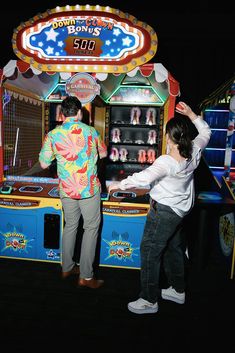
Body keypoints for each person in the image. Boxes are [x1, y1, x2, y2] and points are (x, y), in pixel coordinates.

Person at [108, 101, 211, 313]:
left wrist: (119, 184)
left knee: (149, 251)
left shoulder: (167, 161)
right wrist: (191, 113)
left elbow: (145, 177)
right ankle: (178, 290)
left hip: (163, 211)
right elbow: (206, 131)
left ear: (168, 137)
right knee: (173, 248)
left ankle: (148, 300)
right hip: (180, 211)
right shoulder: (194, 149)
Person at [39, 96, 107, 289]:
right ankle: (85, 276)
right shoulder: (91, 132)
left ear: (61, 114)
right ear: (79, 113)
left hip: (67, 189)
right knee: (91, 229)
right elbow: (103, 153)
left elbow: (44, 163)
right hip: (89, 189)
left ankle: (67, 267)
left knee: (70, 226)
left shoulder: (53, 135)